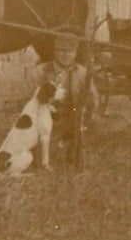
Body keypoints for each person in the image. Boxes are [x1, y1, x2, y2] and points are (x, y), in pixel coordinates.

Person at [31, 31, 99, 168]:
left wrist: (86, 113)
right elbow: (32, 102)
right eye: (61, 50)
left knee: (77, 154)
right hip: (49, 120)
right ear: (54, 51)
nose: (65, 55)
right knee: (39, 159)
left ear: (75, 52)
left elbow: (94, 99)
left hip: (74, 119)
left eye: (70, 51)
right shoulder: (41, 71)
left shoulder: (82, 72)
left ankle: (73, 144)